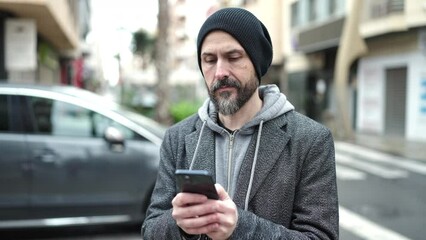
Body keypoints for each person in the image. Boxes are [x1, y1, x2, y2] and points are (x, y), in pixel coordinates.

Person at [142, 7, 339, 240]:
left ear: (257, 63)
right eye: (209, 60)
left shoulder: (310, 140)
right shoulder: (177, 138)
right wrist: (180, 226)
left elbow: (321, 236)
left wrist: (240, 227)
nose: (220, 72)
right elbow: (151, 229)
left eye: (233, 57)